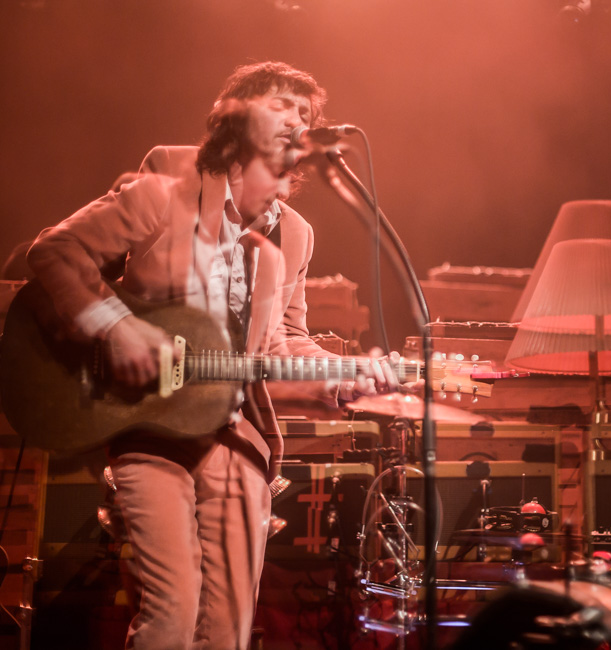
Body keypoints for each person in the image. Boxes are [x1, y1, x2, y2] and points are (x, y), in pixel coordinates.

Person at [27, 61, 394, 649]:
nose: (297, 120)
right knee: (171, 614)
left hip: (236, 435)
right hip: (148, 431)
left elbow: (279, 346)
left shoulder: (295, 235)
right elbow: (54, 254)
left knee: (226, 631)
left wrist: (345, 373)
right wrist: (116, 327)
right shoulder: (167, 187)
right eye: (280, 105)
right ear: (234, 116)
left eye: (305, 113)